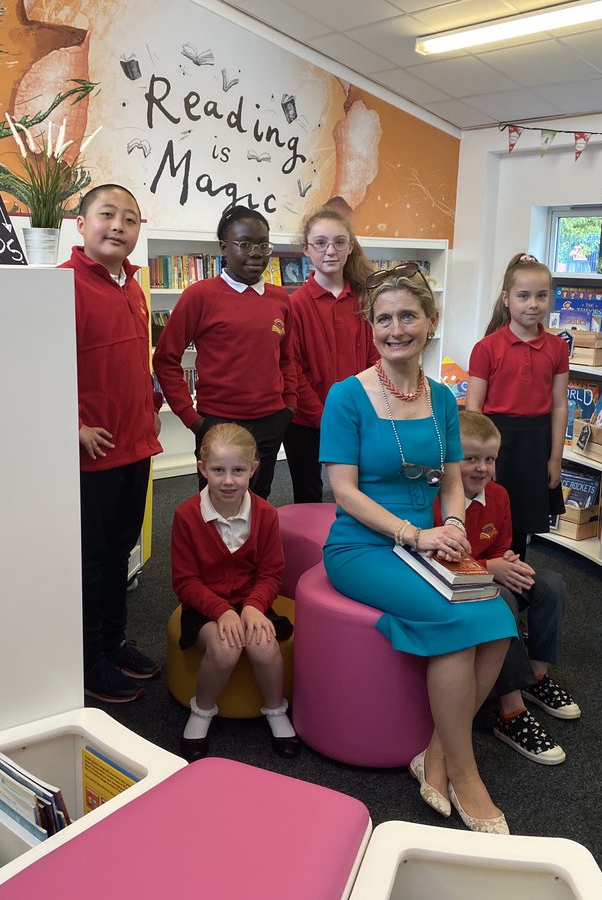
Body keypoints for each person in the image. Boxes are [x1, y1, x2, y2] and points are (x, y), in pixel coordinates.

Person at [321, 263, 516, 834]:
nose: (395, 328)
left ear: (431, 322)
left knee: (500, 621)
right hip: (365, 545)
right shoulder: (346, 397)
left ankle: (434, 753)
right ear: (371, 327)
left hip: (431, 541)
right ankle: (466, 771)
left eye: (408, 315)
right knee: (456, 622)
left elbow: (453, 480)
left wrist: (452, 525)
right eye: (383, 319)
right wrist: (415, 534)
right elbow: (344, 491)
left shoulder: (442, 400)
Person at [60, 183, 163, 704]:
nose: (119, 226)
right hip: (91, 454)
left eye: (130, 218)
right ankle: (87, 657)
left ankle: (115, 639)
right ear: (81, 223)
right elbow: (38, 368)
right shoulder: (64, 286)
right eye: (107, 214)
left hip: (135, 444)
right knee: (92, 558)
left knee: (122, 547)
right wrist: (71, 425)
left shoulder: (134, 286)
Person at [439, 411, 580, 766]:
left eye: (489, 459)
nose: (481, 468)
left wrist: (509, 562)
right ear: (451, 460)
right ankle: (511, 711)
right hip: (459, 589)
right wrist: (492, 569)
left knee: (550, 584)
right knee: (501, 599)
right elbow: (440, 562)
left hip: (493, 573)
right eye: (470, 458)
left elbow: (502, 544)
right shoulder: (439, 501)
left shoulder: (499, 496)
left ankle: (537, 676)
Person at [172, 423, 300, 762]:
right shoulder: (186, 515)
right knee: (226, 647)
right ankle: (202, 710)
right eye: (218, 470)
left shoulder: (267, 514)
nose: (228, 480)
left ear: (253, 470)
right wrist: (222, 610)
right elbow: (185, 582)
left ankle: (275, 710)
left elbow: (271, 573)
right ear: (202, 469)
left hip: (252, 600)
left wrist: (254, 606)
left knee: (264, 644)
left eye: (238, 471)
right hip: (204, 604)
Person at [153, 206, 296, 499]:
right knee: (217, 505)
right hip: (217, 423)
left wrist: (289, 407)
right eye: (244, 244)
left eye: (263, 245)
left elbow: (287, 359)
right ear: (223, 247)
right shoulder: (199, 296)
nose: (256, 253)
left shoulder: (280, 299)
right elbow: (165, 359)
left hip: (271, 421)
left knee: (259, 499)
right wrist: (192, 420)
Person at [467, 253, 568, 560]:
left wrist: (555, 459)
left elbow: (560, 405)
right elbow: (474, 409)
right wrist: (475, 457)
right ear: (507, 299)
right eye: (523, 296)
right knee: (488, 512)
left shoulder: (558, 347)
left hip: (536, 443)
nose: (533, 304)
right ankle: (480, 574)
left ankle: (516, 584)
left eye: (541, 295)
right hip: (497, 440)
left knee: (521, 521)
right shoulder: (486, 348)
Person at [284, 207, 378, 503]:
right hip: (307, 421)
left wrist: (358, 410)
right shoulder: (294, 305)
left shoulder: (365, 301)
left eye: (339, 242)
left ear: (350, 247)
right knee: (308, 493)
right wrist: (324, 416)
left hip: (357, 416)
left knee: (359, 492)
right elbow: (293, 369)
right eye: (320, 243)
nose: (330, 251)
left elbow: (374, 360)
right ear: (306, 250)